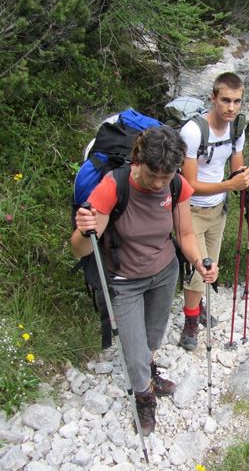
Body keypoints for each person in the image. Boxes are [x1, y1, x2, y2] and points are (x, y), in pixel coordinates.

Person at [71, 126, 219, 435]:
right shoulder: (113, 187)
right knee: (134, 350)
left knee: (152, 339)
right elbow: (81, 248)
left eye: (166, 177)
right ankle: (143, 396)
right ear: (138, 160)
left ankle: (148, 372)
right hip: (125, 280)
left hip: (164, 273)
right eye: (153, 176)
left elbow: (185, 233)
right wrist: (84, 229)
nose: (158, 183)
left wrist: (198, 262)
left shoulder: (176, 185)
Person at [179, 72, 249, 351]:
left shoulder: (237, 128)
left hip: (218, 209)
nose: (231, 107)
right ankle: (190, 322)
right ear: (213, 98)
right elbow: (188, 185)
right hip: (191, 209)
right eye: (225, 100)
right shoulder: (192, 131)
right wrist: (230, 183)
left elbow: (237, 166)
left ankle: (196, 306)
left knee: (209, 263)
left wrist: (247, 179)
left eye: (237, 101)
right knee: (199, 269)